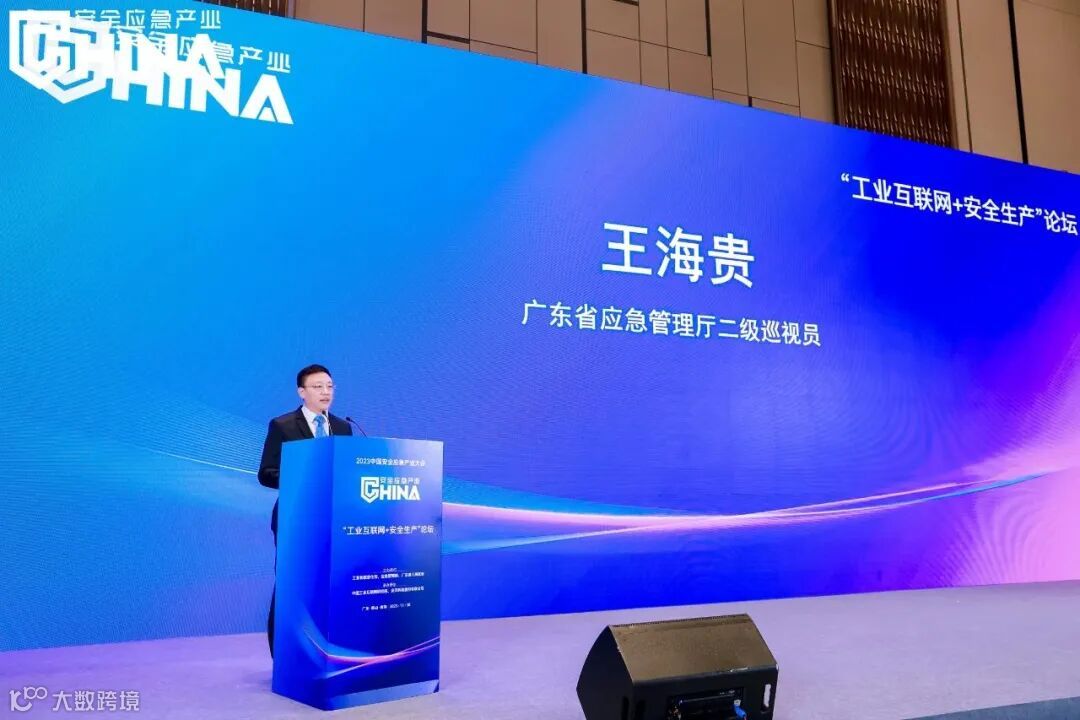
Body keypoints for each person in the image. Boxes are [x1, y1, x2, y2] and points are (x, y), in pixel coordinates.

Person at [258, 363, 352, 656]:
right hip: (295, 518)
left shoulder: (343, 427)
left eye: (329, 386)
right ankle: (284, 657)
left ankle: (327, 652)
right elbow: (266, 473)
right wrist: (303, 475)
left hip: (334, 519)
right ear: (302, 392)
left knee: (329, 584)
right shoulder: (283, 425)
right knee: (292, 585)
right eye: (318, 386)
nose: (326, 392)